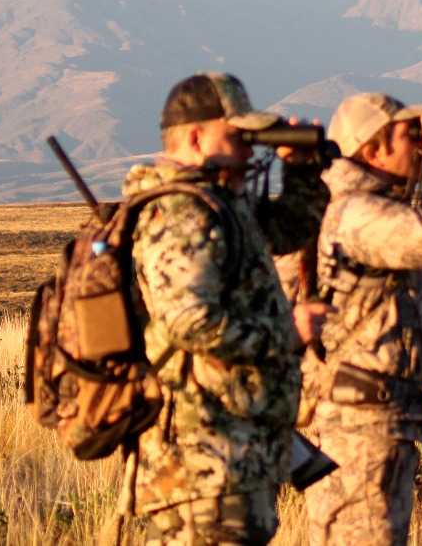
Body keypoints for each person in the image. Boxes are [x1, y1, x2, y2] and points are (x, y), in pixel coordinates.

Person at [124, 71, 332, 545]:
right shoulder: (182, 212)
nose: (247, 148)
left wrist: (301, 169)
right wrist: (286, 332)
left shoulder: (219, 204)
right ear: (196, 137)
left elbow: (286, 232)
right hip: (202, 463)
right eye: (235, 135)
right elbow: (186, 319)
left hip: (236, 455)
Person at [304, 93, 422, 546]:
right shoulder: (359, 214)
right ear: (371, 149)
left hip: (380, 421)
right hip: (360, 429)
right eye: (410, 136)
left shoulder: (373, 210)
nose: (421, 145)